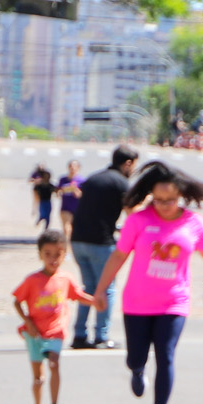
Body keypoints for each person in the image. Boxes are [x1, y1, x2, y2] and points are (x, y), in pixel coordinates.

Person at [98, 159, 203, 404]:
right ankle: (138, 370)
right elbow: (119, 255)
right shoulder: (138, 220)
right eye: (159, 199)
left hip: (174, 303)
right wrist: (101, 288)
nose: (164, 205)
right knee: (136, 357)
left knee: (166, 355)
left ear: (182, 195)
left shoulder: (193, 223)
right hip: (137, 303)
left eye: (171, 199)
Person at [13, 228, 105, 404]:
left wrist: (95, 302)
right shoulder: (32, 280)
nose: (53, 259)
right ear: (40, 255)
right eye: (48, 254)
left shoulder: (65, 279)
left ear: (64, 254)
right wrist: (27, 321)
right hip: (34, 332)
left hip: (55, 330)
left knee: (54, 363)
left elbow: (78, 295)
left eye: (58, 255)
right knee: (38, 376)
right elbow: (17, 301)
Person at [69, 146, 138, 349]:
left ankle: (79, 335)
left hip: (77, 240)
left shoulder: (93, 178)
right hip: (100, 242)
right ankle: (101, 335)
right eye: (133, 165)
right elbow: (133, 214)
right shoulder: (121, 183)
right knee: (106, 288)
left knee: (88, 288)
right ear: (127, 163)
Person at [58, 159, 84, 242]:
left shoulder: (82, 181)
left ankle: (73, 245)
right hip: (65, 207)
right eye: (71, 167)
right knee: (66, 228)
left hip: (78, 208)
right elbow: (58, 191)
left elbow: (84, 195)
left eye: (74, 167)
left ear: (78, 168)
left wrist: (75, 190)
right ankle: (66, 246)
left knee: (76, 230)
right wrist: (62, 191)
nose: (72, 169)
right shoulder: (63, 179)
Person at [30, 165, 56, 229]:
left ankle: (46, 227)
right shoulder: (40, 185)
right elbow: (35, 190)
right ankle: (40, 220)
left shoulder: (51, 185)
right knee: (43, 214)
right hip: (42, 202)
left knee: (48, 215)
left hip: (48, 201)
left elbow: (56, 190)